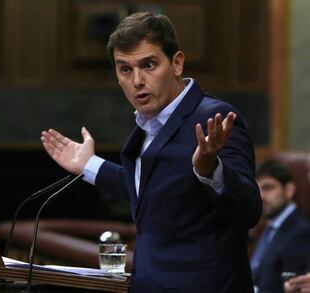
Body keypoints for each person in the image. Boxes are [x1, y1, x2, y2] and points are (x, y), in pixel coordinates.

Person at [41, 11, 262, 292]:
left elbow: (250, 210)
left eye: (148, 65)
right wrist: (90, 165)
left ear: (177, 63)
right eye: (125, 69)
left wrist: (210, 169)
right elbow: (156, 193)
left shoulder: (213, 117)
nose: (137, 81)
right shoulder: (149, 123)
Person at [251, 159, 310, 292]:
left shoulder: (300, 232)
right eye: (257, 189)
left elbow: (293, 286)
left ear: (289, 190)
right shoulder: (269, 226)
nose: (261, 196)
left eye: (268, 188)